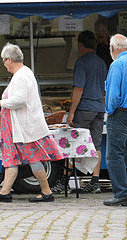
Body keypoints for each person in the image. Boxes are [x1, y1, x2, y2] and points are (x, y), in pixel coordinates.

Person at [0, 43, 64, 203]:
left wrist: (0, 102)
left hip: (23, 127)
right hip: (17, 128)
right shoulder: (24, 73)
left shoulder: (21, 75)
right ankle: (5, 192)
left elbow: (20, 100)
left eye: (3, 60)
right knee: (12, 159)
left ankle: (46, 191)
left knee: (33, 158)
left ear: (9, 60)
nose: (3, 63)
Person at [51, 31, 107, 194]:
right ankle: (95, 182)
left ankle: (64, 182)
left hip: (85, 108)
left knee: (74, 143)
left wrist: (72, 112)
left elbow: (79, 89)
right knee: (96, 145)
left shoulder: (82, 62)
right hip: (99, 107)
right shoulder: (101, 62)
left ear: (80, 45)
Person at [103, 34, 127, 206]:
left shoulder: (117, 64)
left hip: (119, 113)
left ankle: (121, 193)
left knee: (114, 155)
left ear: (112, 48)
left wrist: (110, 112)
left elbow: (113, 95)